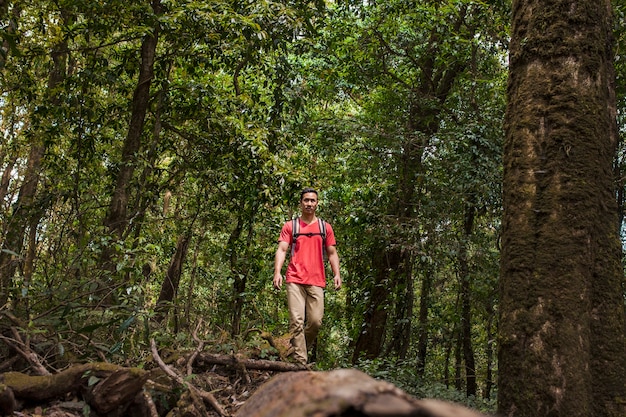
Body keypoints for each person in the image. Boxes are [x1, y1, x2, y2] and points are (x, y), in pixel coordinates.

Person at [273, 187, 341, 364]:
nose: (309, 203)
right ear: (301, 203)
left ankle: (296, 348)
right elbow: (281, 249)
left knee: (315, 322)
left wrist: (336, 274)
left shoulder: (324, 227)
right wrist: (277, 272)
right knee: (297, 321)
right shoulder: (291, 226)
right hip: (294, 279)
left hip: (317, 280)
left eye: (312, 200)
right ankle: (300, 363)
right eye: (306, 200)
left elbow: (332, 253)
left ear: (317, 203)